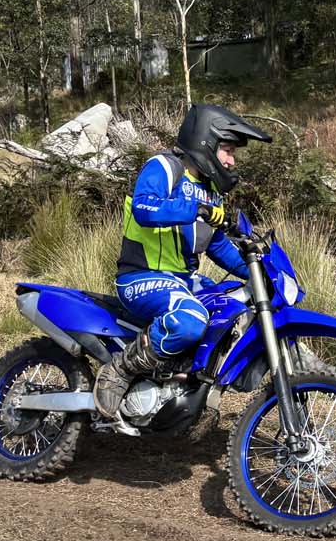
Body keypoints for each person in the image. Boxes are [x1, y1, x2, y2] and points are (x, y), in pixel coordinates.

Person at [93, 103, 272, 421]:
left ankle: (312, 372)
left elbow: (215, 244)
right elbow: (144, 209)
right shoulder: (163, 167)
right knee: (190, 320)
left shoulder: (210, 191)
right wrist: (194, 208)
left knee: (242, 306)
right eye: (228, 150)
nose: (232, 161)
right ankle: (120, 369)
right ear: (207, 142)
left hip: (184, 281)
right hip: (142, 277)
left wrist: (257, 271)